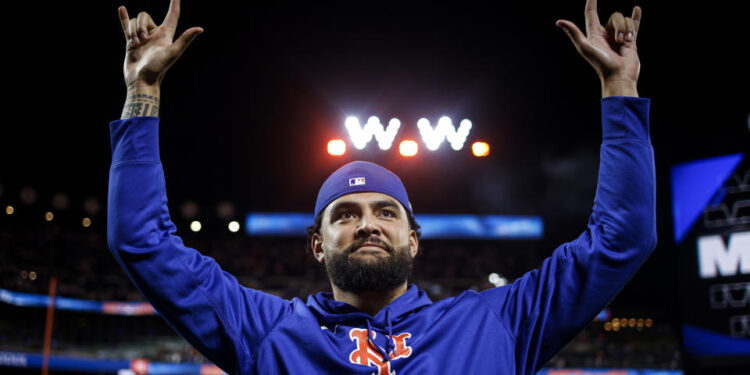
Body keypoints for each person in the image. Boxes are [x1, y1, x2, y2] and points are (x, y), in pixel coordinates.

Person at [108, 0, 655, 373]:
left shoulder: (493, 323)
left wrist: (620, 88)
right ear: (317, 242)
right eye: (344, 213)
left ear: (414, 240)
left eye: (386, 212)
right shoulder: (267, 331)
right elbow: (141, 240)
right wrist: (144, 92)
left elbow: (622, 238)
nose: (367, 222)